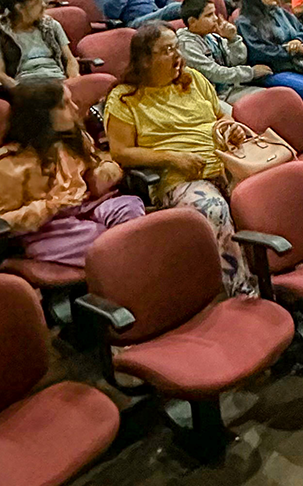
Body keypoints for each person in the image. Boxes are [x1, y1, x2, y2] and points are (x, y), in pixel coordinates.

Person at [105, 24, 254, 295]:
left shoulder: (193, 79)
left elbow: (222, 116)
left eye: (177, 47)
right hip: (178, 176)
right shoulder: (125, 98)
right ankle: (242, 291)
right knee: (214, 209)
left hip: (226, 161)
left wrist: (231, 127)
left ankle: (284, 270)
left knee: (267, 193)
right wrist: (173, 158)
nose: (177, 56)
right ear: (144, 59)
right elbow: (121, 152)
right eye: (167, 50)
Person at [0, 81, 145, 266]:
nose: (75, 107)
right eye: (65, 104)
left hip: (86, 206)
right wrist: (50, 206)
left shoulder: (74, 139)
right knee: (101, 238)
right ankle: (126, 271)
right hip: (46, 228)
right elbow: (0, 221)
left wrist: (106, 170)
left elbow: (99, 161)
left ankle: (129, 265)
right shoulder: (9, 163)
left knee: (130, 207)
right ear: (41, 115)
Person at [176, 0, 272, 104]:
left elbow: (236, 62)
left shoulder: (213, 37)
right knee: (260, 103)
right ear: (192, 21)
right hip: (210, 97)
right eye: (209, 15)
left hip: (230, 89)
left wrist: (233, 39)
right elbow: (213, 73)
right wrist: (250, 72)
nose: (216, 19)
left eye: (215, 14)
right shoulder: (186, 45)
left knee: (269, 96)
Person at [0, 0, 79, 89]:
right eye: (38, 2)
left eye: (44, 1)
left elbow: (70, 59)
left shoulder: (51, 26)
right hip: (27, 86)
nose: (44, 5)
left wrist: (73, 80)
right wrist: (19, 89)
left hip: (59, 81)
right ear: (19, 8)